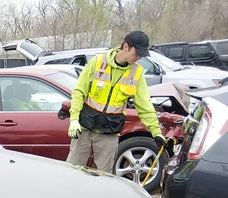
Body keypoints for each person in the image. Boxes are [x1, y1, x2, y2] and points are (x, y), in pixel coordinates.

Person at [66, 30, 172, 173]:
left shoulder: (137, 73)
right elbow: (79, 92)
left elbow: (145, 106)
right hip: (84, 128)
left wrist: (156, 132)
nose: (139, 57)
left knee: (105, 176)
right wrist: (74, 120)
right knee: (72, 171)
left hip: (109, 132)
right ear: (126, 47)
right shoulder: (97, 62)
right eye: (137, 53)